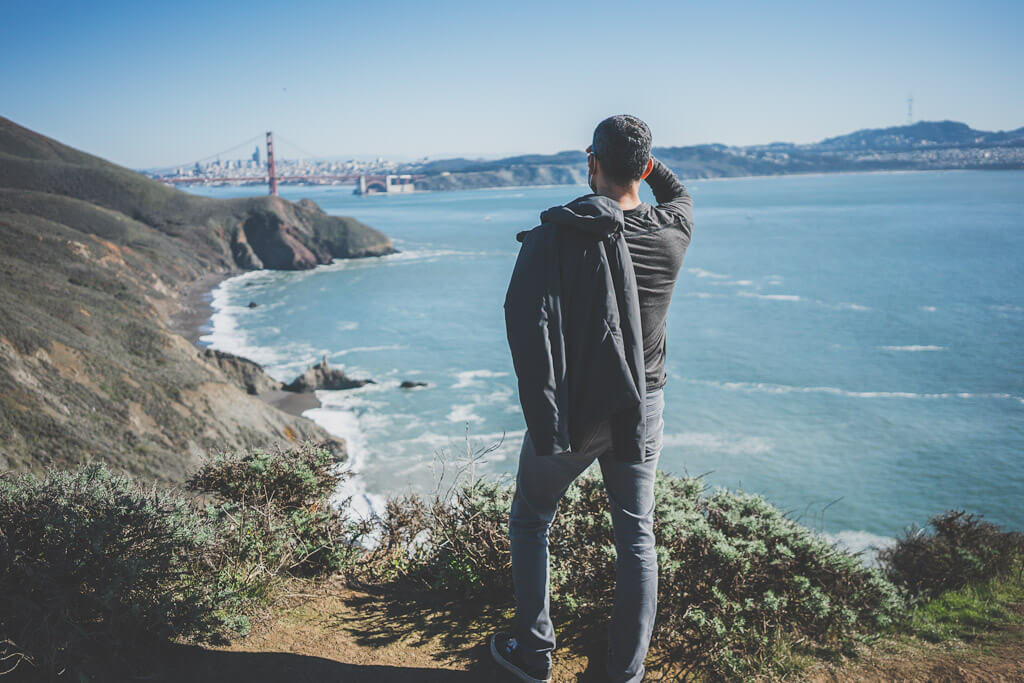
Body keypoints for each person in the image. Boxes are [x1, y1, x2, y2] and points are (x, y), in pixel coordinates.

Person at [492, 115, 694, 683]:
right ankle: (623, 675)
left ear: (592, 163)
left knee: (531, 518)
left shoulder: (566, 234)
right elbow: (676, 191)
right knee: (636, 536)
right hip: (642, 406)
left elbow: (527, 315)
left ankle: (533, 654)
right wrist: (642, 164)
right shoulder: (674, 229)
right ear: (647, 168)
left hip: (580, 407)